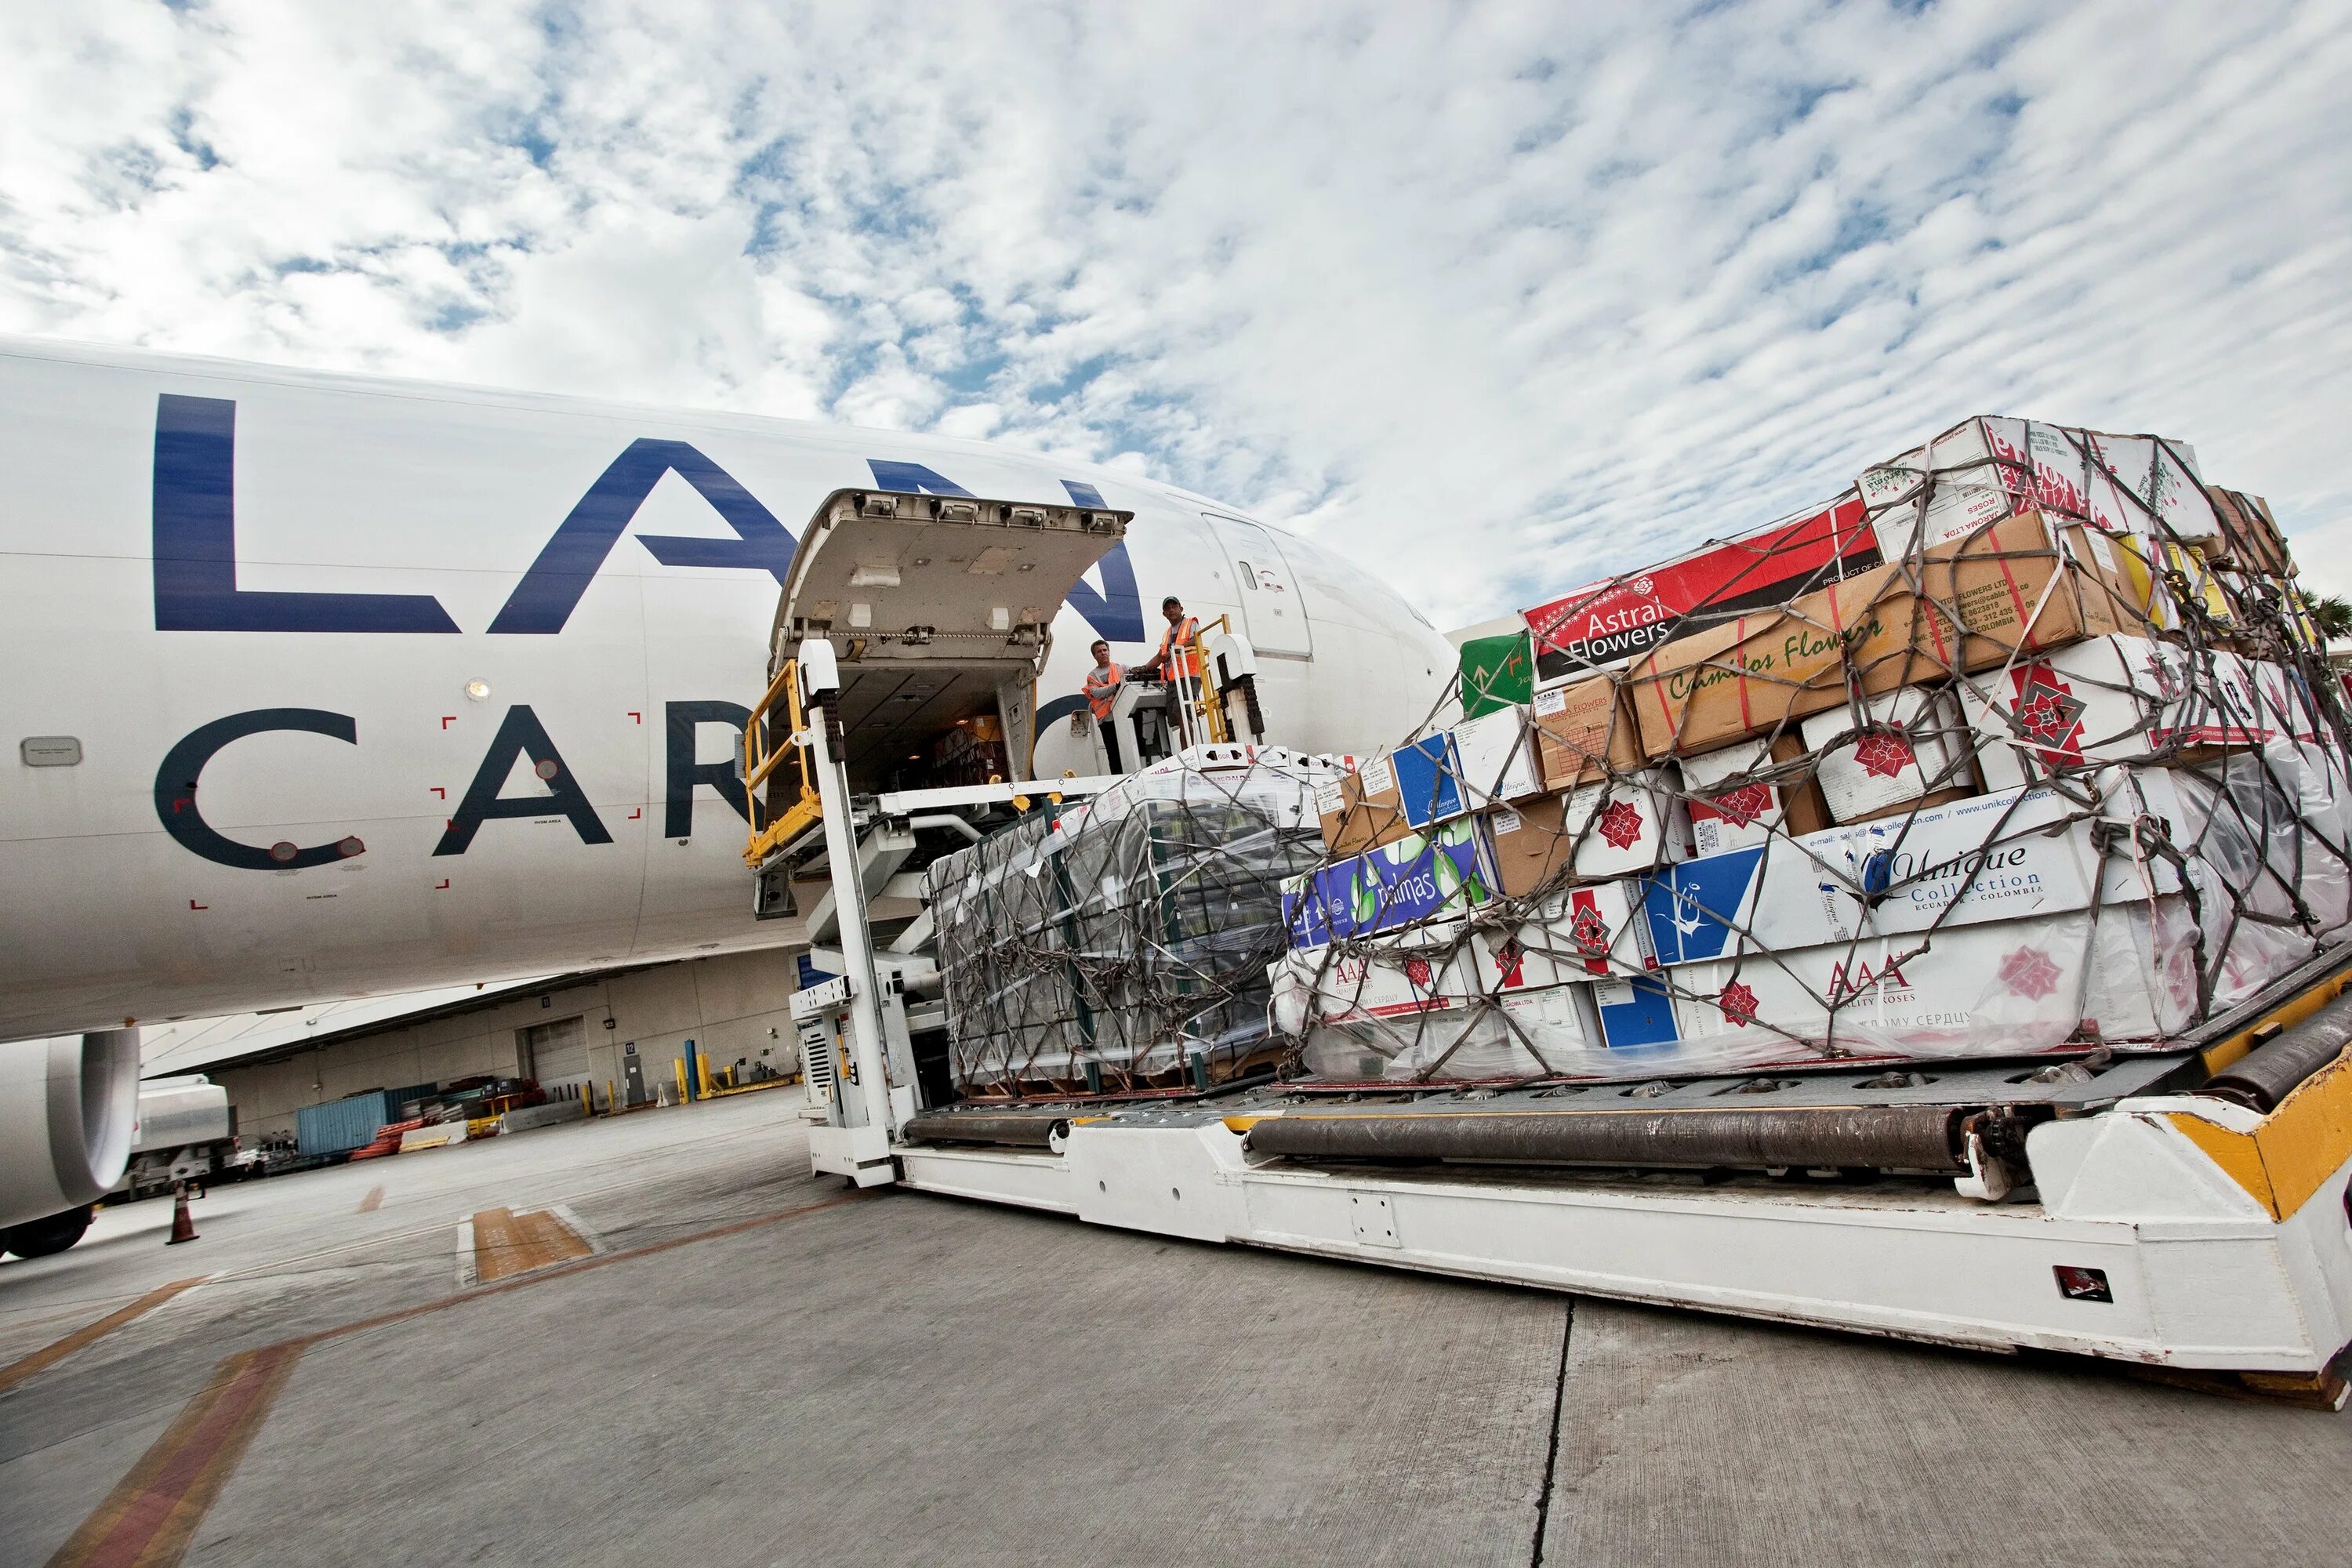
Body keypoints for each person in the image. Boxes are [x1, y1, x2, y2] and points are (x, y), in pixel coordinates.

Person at [1082, 639, 1126, 771]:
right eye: (1099, 652)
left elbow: (1133, 674)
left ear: (1109, 652)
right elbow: (1096, 692)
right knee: (1113, 753)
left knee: (1127, 748)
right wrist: (1116, 687)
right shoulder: (1092, 676)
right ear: (1094, 656)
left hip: (1123, 716)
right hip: (1106, 719)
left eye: (1105, 650)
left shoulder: (1120, 668)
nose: (1103, 653)